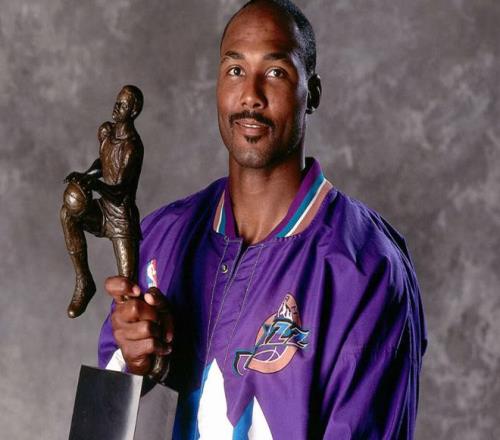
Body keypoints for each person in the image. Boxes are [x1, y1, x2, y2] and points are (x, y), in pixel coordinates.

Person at [99, 1, 427, 438]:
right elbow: (102, 426)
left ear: (312, 93)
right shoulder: (161, 238)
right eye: (235, 70)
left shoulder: (366, 268)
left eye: (275, 72)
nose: (250, 95)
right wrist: (135, 365)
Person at [61, 85, 144, 318]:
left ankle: (137, 333)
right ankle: (84, 281)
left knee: (128, 290)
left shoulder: (132, 147)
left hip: (122, 218)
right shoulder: (107, 132)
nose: (116, 108)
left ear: (133, 111)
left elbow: (119, 193)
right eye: (117, 102)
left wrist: (94, 185)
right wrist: (86, 176)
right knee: (67, 213)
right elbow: (103, 162)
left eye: (123, 105)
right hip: (104, 210)